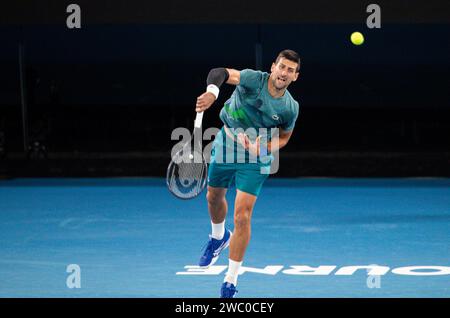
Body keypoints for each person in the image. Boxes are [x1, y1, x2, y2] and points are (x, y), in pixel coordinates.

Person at [195, 49, 301, 298]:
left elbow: (284, 137)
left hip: (256, 154)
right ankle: (218, 237)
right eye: (281, 67)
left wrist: (263, 147)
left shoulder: (290, 107)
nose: (284, 73)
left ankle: (230, 280)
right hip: (226, 141)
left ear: (296, 76)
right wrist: (212, 93)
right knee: (212, 197)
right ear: (273, 67)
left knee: (242, 215)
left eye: (290, 70)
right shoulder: (254, 79)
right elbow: (218, 72)